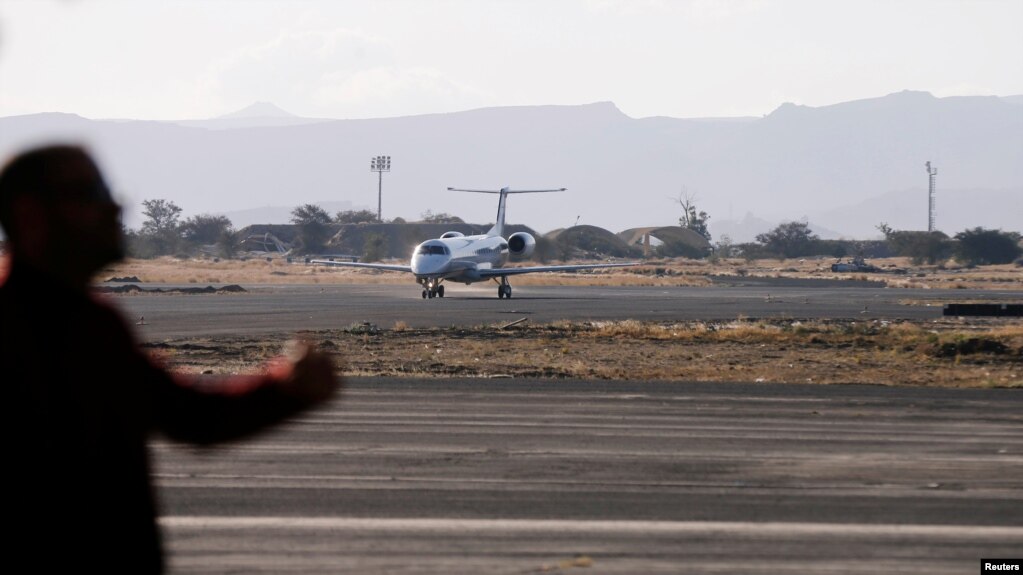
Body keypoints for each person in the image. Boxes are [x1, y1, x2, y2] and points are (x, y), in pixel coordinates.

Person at [0, 145, 340, 573]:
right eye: (89, 194)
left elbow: (189, 416)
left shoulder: (94, 325)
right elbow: (189, 418)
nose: (114, 207)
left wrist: (285, 388)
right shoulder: (48, 329)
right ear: (31, 216)